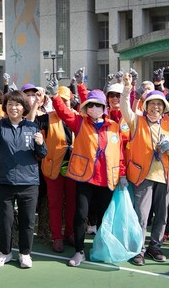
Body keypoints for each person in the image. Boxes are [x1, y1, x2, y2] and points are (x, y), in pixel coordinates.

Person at [48, 79, 124, 267]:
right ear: (86, 107)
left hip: (107, 179)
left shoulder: (114, 126)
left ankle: (101, 248)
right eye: (91, 105)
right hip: (84, 177)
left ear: (104, 107)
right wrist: (55, 96)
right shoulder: (80, 122)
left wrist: (122, 174)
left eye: (98, 105)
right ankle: (79, 251)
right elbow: (64, 113)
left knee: (104, 216)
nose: (94, 108)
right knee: (80, 215)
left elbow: (119, 153)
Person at [121, 73, 169, 266]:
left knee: (162, 215)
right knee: (141, 215)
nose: (155, 107)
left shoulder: (168, 125)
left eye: (159, 104)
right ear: (145, 106)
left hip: (163, 176)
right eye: (152, 103)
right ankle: (138, 249)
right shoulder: (136, 120)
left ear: (164, 108)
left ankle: (155, 246)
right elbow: (124, 108)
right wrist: (128, 89)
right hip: (142, 176)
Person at [0, 90, 47, 269]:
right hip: (5, 181)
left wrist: (41, 144)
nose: (13, 107)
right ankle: (5, 252)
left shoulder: (32, 127)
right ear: (5, 107)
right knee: (5, 220)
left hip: (29, 182)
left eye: (17, 104)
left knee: (28, 221)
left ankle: (25, 253)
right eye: (10, 104)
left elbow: (42, 154)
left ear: (24, 107)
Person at [28, 86, 75, 253]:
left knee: (72, 204)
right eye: (60, 100)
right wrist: (36, 103)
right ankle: (57, 237)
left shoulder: (78, 118)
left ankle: (70, 233)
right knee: (54, 204)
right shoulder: (47, 118)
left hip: (74, 169)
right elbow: (29, 124)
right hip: (53, 169)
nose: (63, 104)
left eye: (66, 101)